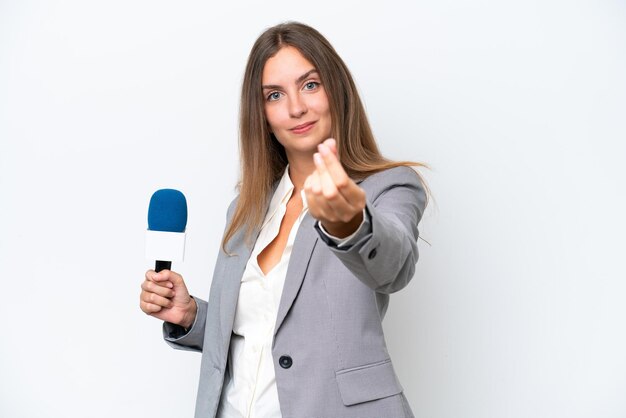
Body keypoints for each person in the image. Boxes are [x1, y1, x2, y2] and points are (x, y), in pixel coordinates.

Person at [139, 21, 427, 418]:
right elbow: (258, 336)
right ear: (262, 115)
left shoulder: (388, 187)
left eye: (310, 84)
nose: (296, 107)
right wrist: (190, 315)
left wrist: (350, 224)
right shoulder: (248, 208)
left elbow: (394, 266)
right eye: (275, 95)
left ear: (336, 90)